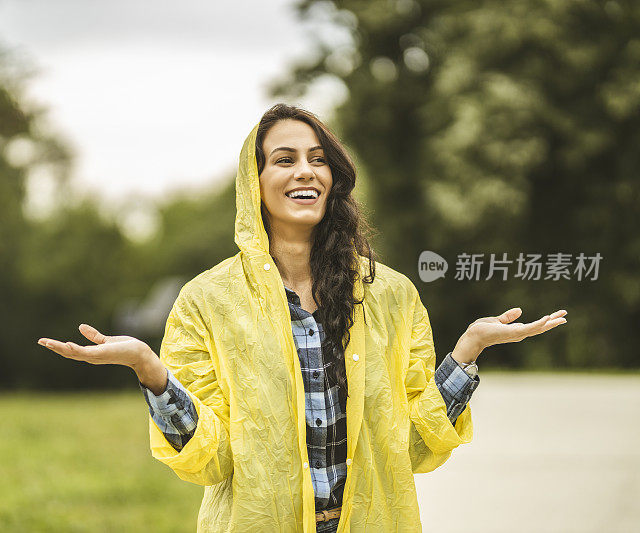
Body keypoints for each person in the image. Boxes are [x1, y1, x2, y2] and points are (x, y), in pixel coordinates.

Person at [38, 103, 567, 532]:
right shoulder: (206, 302)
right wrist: (149, 369)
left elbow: (412, 447)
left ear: (333, 177)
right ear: (256, 180)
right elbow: (212, 461)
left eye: (317, 158)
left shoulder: (392, 296)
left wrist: (467, 352)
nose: (305, 170)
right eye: (284, 159)